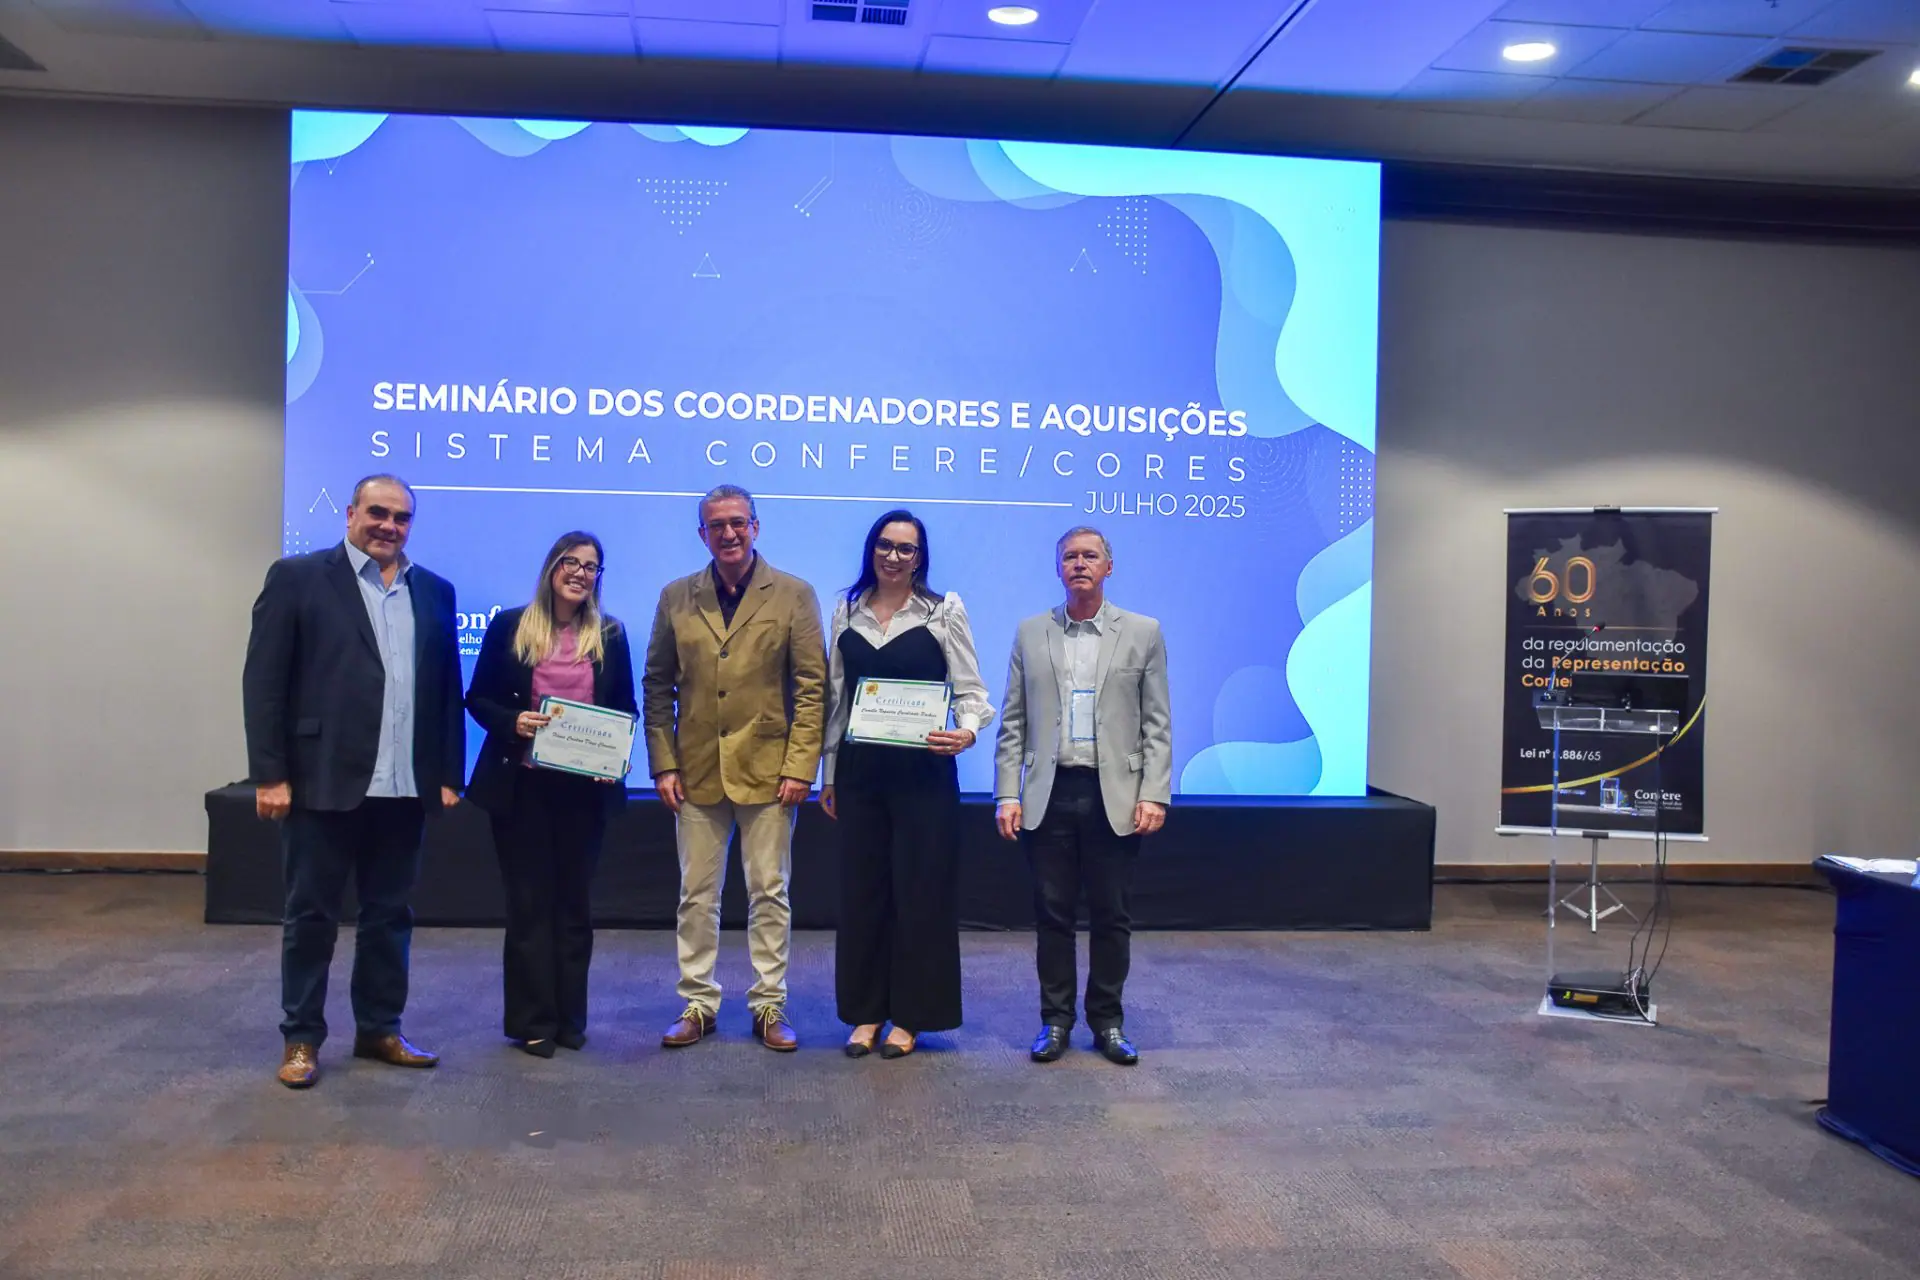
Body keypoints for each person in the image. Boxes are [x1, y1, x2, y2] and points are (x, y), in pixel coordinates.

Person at [242, 474, 465, 1089]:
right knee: (310, 916)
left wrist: (448, 772)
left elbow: (445, 687)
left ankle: (380, 1029)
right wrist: (270, 774)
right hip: (321, 782)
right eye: (377, 513)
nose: (389, 526)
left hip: (404, 785)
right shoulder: (297, 578)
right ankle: (301, 1039)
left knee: (390, 916)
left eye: (401, 517)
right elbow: (264, 683)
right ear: (350, 514)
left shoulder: (435, 591)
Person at [642, 484, 827, 1052]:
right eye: (717, 525)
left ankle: (769, 1003)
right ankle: (698, 1002)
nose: (729, 533)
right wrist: (662, 764)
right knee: (696, 895)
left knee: (769, 892)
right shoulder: (676, 596)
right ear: (702, 534)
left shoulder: (794, 594)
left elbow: (812, 688)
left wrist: (801, 766)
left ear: (755, 527)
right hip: (695, 770)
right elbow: (656, 685)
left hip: (771, 772)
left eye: (738, 522)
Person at [994, 527, 1171, 1067]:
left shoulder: (1142, 631)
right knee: (1052, 915)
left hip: (1113, 793)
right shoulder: (1031, 632)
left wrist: (1155, 794)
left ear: (1108, 567)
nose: (1079, 564)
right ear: (1058, 568)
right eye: (1069, 557)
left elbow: (1157, 723)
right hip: (1048, 792)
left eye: (1090, 556)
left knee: (1111, 915)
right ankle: (1055, 1021)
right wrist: (1006, 793)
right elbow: (1014, 721)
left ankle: (1108, 1021)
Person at [820, 510, 993, 1059]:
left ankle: (912, 1017)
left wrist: (967, 732)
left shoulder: (943, 611)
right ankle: (867, 1012)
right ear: (871, 549)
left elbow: (971, 691)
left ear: (920, 558)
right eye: (885, 545)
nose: (893, 556)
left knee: (921, 893)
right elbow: (836, 701)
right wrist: (829, 774)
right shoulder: (845, 610)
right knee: (863, 893)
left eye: (906, 549)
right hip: (860, 776)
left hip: (924, 776)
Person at [465, 532, 637, 1058]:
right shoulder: (510, 626)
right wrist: (512, 722)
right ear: (551, 567)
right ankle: (533, 1021)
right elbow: (478, 698)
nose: (581, 573)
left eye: (592, 566)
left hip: (584, 794)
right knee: (529, 906)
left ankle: (569, 1019)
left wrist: (615, 758)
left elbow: (625, 709)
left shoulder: (610, 634)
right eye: (571, 562)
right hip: (522, 788)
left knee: (574, 907)